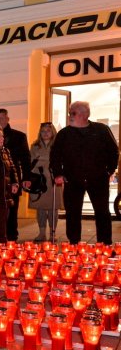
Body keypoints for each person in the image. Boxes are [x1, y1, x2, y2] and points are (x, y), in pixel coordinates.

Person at [50, 101, 119, 245]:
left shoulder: (101, 130)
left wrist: (109, 170)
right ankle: (74, 243)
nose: (70, 116)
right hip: (72, 179)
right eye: (70, 113)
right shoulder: (64, 134)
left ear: (84, 114)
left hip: (98, 178)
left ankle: (105, 243)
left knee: (102, 212)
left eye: (73, 113)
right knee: (72, 213)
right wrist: (58, 173)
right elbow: (55, 155)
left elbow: (114, 151)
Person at [0, 108, 30, 241]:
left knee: (12, 210)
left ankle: (12, 237)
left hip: (12, 179)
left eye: (1, 118)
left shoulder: (19, 136)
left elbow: (26, 159)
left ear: (7, 119)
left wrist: (26, 178)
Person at [28, 122, 62, 242]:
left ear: (52, 132)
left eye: (48, 130)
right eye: (43, 131)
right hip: (39, 180)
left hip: (54, 180)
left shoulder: (58, 145)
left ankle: (53, 233)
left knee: (53, 208)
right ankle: (41, 233)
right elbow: (30, 162)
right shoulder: (35, 146)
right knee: (40, 208)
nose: (46, 133)